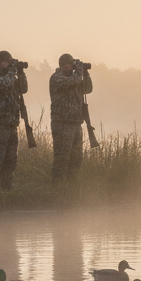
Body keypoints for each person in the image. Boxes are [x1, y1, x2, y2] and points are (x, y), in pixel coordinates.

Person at [0, 50, 27, 190]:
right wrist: (13, 70)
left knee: (10, 160)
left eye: (10, 62)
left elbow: (23, 89)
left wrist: (21, 72)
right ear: (0, 62)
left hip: (11, 124)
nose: (9, 64)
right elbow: (5, 83)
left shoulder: (11, 75)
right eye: (7, 62)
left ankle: (7, 188)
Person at [49, 53, 93, 183]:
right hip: (61, 124)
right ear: (63, 65)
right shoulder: (57, 78)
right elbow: (74, 81)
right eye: (70, 64)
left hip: (75, 124)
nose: (72, 67)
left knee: (76, 159)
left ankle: (71, 187)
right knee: (61, 158)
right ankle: (57, 188)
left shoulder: (76, 78)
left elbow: (88, 89)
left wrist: (85, 73)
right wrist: (79, 71)